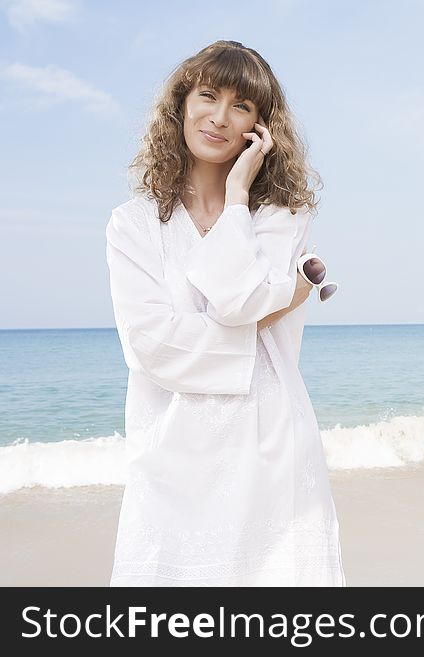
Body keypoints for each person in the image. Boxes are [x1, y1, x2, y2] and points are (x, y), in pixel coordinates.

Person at [104, 40, 346, 586]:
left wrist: (237, 195)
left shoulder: (280, 216)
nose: (218, 117)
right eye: (207, 96)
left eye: (241, 105)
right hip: (172, 447)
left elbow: (234, 300)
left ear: (261, 127)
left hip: (270, 438)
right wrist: (275, 306)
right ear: (181, 105)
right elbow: (152, 347)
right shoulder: (134, 224)